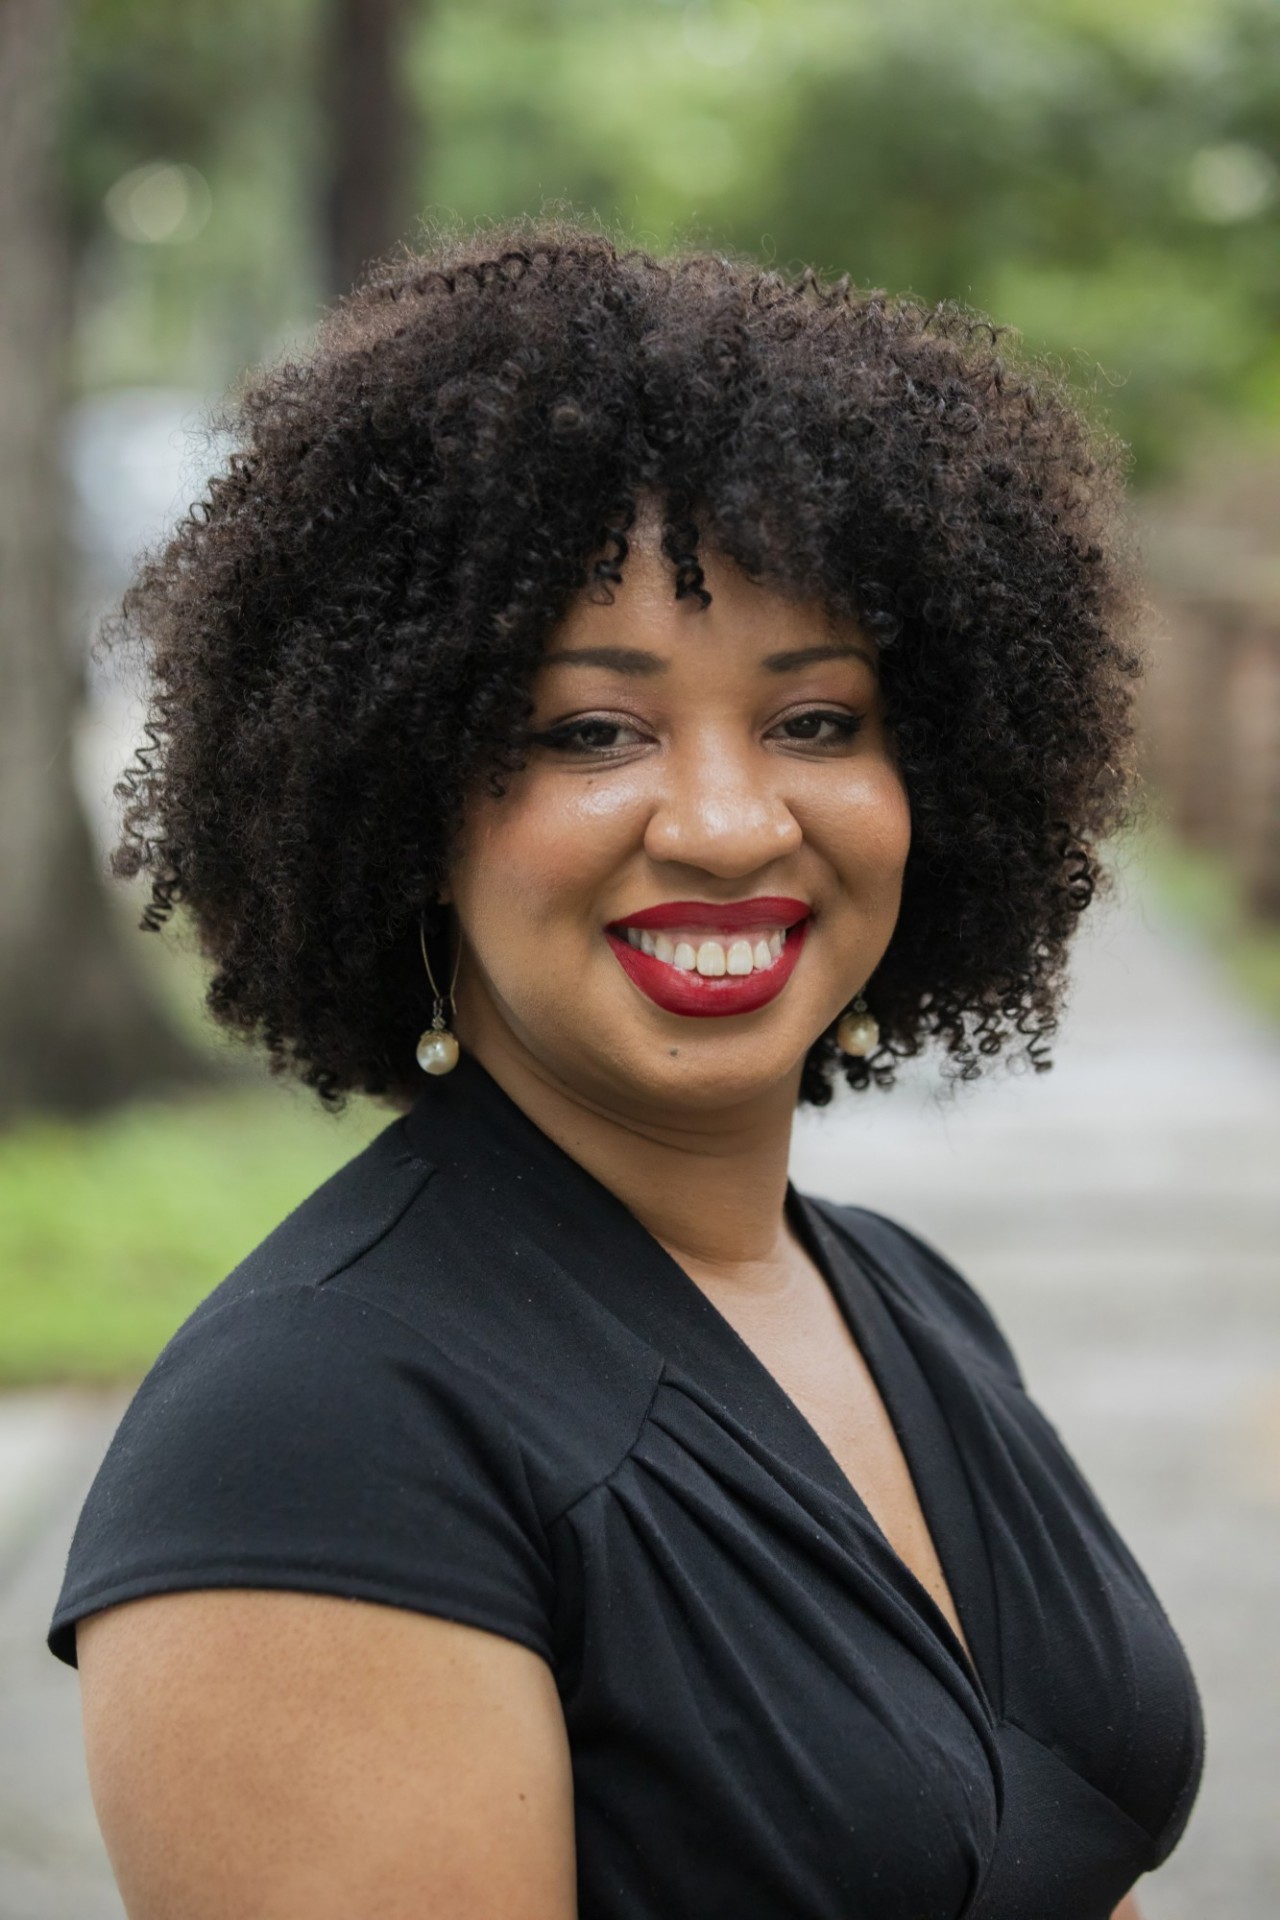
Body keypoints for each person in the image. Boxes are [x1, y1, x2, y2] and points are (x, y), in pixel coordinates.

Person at [48, 216, 1202, 1920]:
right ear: (406, 796)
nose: (732, 824)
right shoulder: (312, 1444)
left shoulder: (908, 1300)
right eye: (593, 730)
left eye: (817, 720)